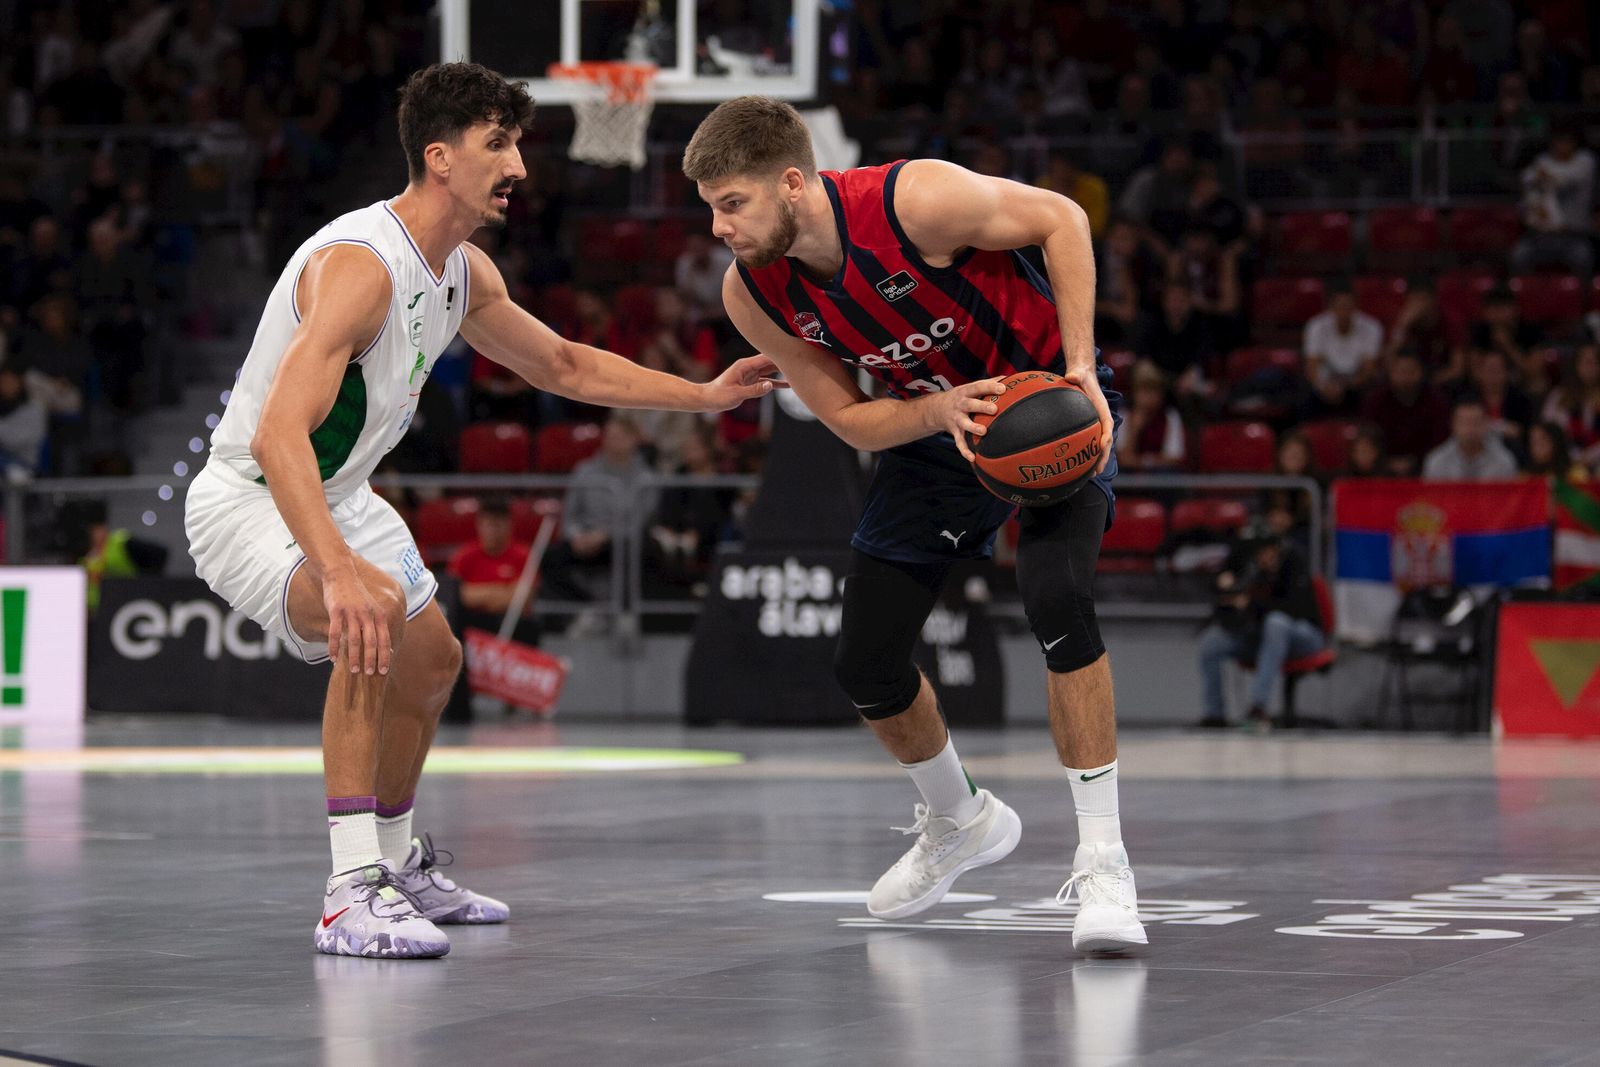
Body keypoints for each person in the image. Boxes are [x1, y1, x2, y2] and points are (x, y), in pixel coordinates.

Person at [184, 63, 780, 960]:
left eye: (517, 144)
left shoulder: (461, 272)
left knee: (433, 660)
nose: (519, 167)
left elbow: (566, 367)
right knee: (372, 612)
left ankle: (396, 863)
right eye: (497, 144)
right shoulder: (360, 267)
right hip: (250, 496)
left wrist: (703, 397)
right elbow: (277, 439)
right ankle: (349, 892)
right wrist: (340, 572)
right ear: (439, 157)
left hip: (337, 490)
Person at [684, 97, 1145, 954]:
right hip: (939, 430)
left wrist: (1078, 367)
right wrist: (938, 413)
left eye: (731, 203)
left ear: (792, 183)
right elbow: (852, 422)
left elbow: (1064, 220)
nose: (718, 227)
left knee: (1059, 599)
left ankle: (1105, 861)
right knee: (865, 661)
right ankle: (959, 818)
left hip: (1046, 405)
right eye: (710, 206)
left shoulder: (914, 202)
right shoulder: (752, 295)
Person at [1195, 523, 1325, 730]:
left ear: (1275, 548)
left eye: (1265, 551)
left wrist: (1251, 604)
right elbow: (1227, 605)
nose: (1262, 557)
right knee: (1212, 641)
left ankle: (1258, 707)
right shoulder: (1251, 571)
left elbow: (1293, 608)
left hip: (1304, 636)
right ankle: (1214, 715)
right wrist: (1229, 599)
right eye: (1257, 553)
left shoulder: (1293, 562)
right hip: (1260, 638)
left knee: (1276, 623)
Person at [447, 496, 538, 645]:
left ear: (509, 525)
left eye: (498, 524)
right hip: (473, 623)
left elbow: (521, 599)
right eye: (489, 524)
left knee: (526, 626)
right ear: (479, 525)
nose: (493, 530)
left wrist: (476, 594)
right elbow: (455, 596)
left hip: (511, 623)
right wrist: (502, 591)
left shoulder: (523, 555)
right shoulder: (464, 555)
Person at [1303, 280, 1383, 415]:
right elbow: (1312, 365)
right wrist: (1322, 385)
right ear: (1330, 307)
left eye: (1348, 306)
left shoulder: (1372, 327)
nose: (1344, 311)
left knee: (1372, 394)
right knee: (1305, 396)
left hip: (1355, 384)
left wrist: (1346, 385)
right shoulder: (1316, 326)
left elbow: (1369, 368)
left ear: (1356, 306)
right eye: (1339, 306)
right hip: (1326, 382)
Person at [1422, 395, 1520, 480]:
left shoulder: (1503, 461)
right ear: (1453, 425)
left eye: (1476, 422)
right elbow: (1431, 500)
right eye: (1464, 423)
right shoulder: (1437, 462)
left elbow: (1509, 500)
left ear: (1486, 424)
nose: (1470, 429)